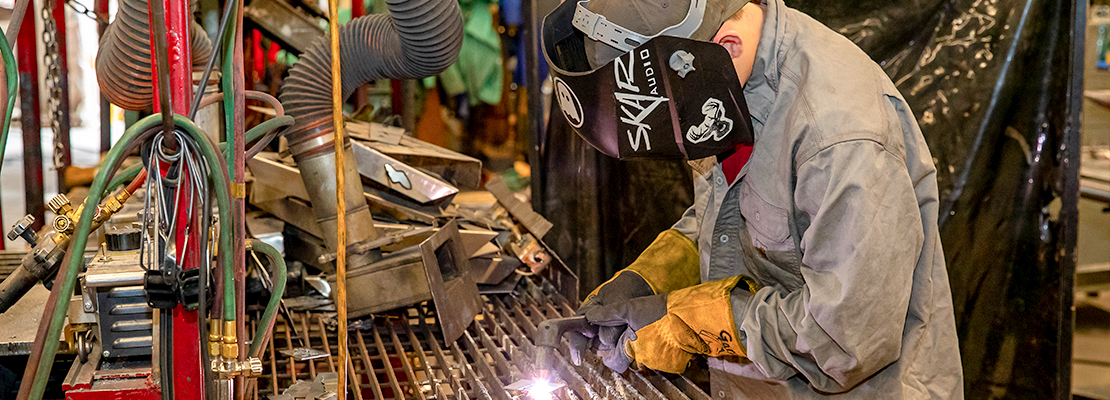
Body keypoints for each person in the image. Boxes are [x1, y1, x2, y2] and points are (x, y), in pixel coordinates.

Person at [540, 0, 965, 398]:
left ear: (726, 46)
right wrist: (650, 278)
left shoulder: (838, 138)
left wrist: (694, 322)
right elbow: (734, 214)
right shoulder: (721, 80)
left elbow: (846, 336)